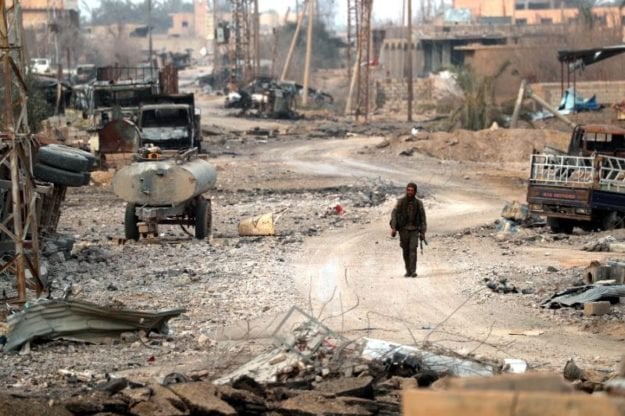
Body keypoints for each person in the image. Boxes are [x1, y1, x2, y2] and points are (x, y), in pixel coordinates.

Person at [390, 182, 427, 277]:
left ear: (415, 192)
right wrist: (394, 228)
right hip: (403, 230)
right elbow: (394, 215)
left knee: (413, 250)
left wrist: (423, 232)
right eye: (408, 190)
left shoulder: (419, 203)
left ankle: (413, 270)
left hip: (414, 230)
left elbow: (423, 218)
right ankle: (408, 270)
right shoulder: (400, 202)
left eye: (412, 190)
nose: (410, 192)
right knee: (405, 251)